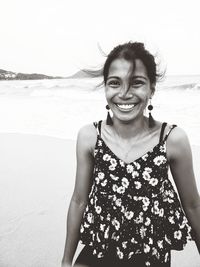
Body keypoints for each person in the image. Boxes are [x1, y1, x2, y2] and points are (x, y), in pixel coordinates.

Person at [61, 42, 200, 267]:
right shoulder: (89, 136)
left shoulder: (172, 139)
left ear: (151, 89)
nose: (124, 94)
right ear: (105, 87)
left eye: (137, 83)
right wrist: (66, 260)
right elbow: (79, 200)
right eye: (114, 83)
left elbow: (193, 205)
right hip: (98, 250)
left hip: (151, 256)